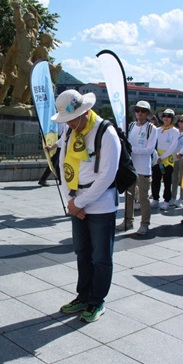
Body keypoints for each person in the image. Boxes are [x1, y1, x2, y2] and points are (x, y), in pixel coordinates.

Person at [52, 89, 120, 323]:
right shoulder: (71, 132)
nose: (69, 124)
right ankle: (83, 295)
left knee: (101, 256)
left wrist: (78, 202)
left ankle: (97, 300)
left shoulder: (105, 132)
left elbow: (107, 176)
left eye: (71, 119)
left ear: (85, 112)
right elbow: (62, 167)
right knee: (82, 252)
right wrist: (71, 201)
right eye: (66, 121)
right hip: (76, 200)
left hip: (100, 204)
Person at [116, 100, 158, 235]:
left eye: (143, 111)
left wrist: (131, 149)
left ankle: (145, 223)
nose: (140, 113)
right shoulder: (130, 126)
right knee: (129, 196)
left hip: (143, 168)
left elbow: (149, 149)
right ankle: (128, 220)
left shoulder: (152, 128)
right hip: (131, 167)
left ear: (148, 114)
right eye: (138, 110)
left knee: (143, 198)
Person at [151, 109, 179, 211]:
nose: (166, 118)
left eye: (168, 116)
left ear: (172, 119)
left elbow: (173, 146)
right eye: (164, 116)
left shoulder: (175, 131)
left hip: (167, 158)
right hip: (156, 157)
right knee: (155, 179)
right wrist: (156, 156)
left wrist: (162, 157)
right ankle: (155, 198)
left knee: (167, 180)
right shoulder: (157, 130)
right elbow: (153, 143)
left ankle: (166, 200)